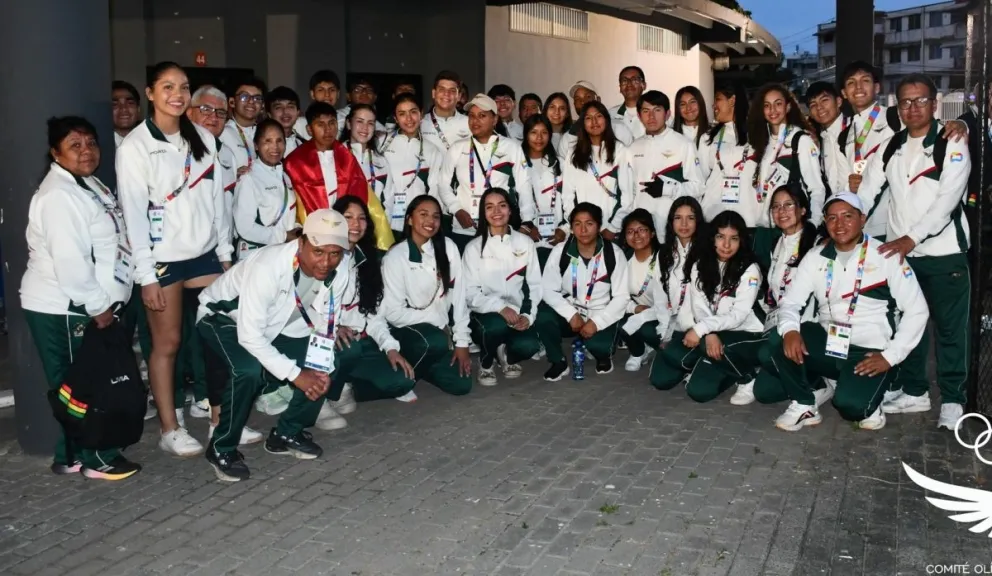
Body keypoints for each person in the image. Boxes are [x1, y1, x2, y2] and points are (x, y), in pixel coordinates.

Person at [117, 61, 233, 457]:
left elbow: (217, 202)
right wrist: (146, 275)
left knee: (217, 337)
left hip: (204, 255)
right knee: (168, 342)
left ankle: (219, 419)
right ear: (150, 93)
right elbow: (134, 215)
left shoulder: (202, 136)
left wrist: (224, 253)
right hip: (163, 260)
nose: (177, 95)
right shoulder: (135, 146)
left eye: (183, 87)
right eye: (167, 87)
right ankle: (169, 428)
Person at [21, 116, 141, 480]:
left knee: (71, 384)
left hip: (82, 304)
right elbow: (71, 262)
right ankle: (97, 457)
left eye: (91, 143)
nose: (86, 151)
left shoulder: (87, 183)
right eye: (75, 145)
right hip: (66, 306)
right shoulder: (59, 195)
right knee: (87, 384)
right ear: (56, 153)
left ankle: (69, 454)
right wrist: (98, 307)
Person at [197, 209, 350, 481]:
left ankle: (286, 433)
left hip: (276, 326)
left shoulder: (339, 271)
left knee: (326, 363)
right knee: (248, 369)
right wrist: (296, 375)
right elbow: (250, 336)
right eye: (318, 251)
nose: (326, 261)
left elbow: (326, 324)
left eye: (335, 253)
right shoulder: (268, 265)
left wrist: (318, 368)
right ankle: (221, 448)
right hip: (222, 317)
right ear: (301, 242)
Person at [856, 74, 972, 430]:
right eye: (906, 101)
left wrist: (911, 238)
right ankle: (915, 391)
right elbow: (867, 192)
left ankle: (953, 400)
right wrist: (845, 221)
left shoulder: (951, 142)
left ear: (934, 104)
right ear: (898, 106)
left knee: (950, 331)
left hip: (945, 254)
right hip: (903, 257)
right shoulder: (890, 146)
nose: (913, 107)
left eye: (921, 100)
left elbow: (947, 202)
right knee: (909, 325)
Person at [767, 192, 929, 431]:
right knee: (777, 339)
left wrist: (890, 356)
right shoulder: (815, 256)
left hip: (868, 352)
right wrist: (790, 330)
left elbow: (917, 310)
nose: (839, 224)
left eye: (847, 216)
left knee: (851, 407)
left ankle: (875, 390)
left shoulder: (885, 255)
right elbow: (791, 303)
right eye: (832, 218)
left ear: (862, 219)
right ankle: (805, 403)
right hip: (831, 342)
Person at [649, 211, 765, 402]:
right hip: (712, 331)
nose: (726, 245)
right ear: (712, 238)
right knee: (665, 378)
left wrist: (703, 329)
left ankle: (747, 377)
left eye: (733, 239)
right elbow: (699, 306)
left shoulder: (750, 269)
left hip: (745, 333)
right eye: (720, 237)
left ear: (742, 241)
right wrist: (709, 333)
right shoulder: (700, 264)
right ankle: (710, 362)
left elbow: (738, 316)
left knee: (699, 390)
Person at [319, 196, 418, 418]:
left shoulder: (368, 259)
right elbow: (310, 308)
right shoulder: (322, 257)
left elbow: (374, 315)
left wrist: (390, 348)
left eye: (361, 218)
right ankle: (320, 396)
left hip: (360, 341)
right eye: (348, 217)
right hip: (329, 340)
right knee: (348, 349)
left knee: (403, 381)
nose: (356, 224)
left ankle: (344, 385)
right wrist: (334, 327)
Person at [380, 196, 473, 397]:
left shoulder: (448, 247)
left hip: (438, 332)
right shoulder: (395, 257)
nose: (430, 221)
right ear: (409, 219)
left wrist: (462, 342)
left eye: (436, 216)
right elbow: (393, 314)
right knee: (435, 341)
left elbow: (459, 297)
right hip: (407, 331)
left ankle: (421, 367)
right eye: (423, 214)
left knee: (461, 384)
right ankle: (402, 381)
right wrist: (437, 320)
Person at [748, 185, 824, 407]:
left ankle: (817, 384)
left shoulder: (818, 244)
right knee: (763, 392)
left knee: (765, 352)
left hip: (807, 326)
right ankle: (808, 379)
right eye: (776, 207)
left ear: (803, 210)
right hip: (781, 321)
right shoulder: (778, 242)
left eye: (789, 205)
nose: (781, 211)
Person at [537, 202, 630, 380]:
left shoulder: (613, 253)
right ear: (571, 228)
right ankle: (558, 361)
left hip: (599, 312)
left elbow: (622, 297)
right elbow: (548, 289)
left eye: (589, 223)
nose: (583, 230)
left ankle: (602, 354)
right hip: (570, 313)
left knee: (599, 347)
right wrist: (570, 314)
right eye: (577, 224)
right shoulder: (560, 251)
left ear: (599, 226)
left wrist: (597, 322)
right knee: (543, 315)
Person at [284, 101, 393, 250]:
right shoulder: (295, 162)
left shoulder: (346, 157)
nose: (328, 129)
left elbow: (364, 195)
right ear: (309, 129)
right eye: (320, 124)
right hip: (312, 233)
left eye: (332, 123)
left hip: (346, 233)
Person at [462, 188, 543, 386]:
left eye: (502, 205)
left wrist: (528, 315)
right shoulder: (473, 248)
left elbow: (534, 285)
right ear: (483, 213)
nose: (496, 211)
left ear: (510, 210)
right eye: (489, 207)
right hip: (486, 314)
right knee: (494, 327)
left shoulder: (525, 243)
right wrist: (500, 308)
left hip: (517, 313)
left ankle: (506, 354)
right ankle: (486, 363)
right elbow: (470, 294)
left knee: (530, 346)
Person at [438, 94, 534, 253]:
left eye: (482, 116)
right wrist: (456, 209)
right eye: (471, 116)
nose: (475, 121)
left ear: (494, 119)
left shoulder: (511, 147)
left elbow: (524, 186)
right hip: (464, 228)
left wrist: (527, 221)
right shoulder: (457, 148)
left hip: (499, 227)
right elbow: (443, 184)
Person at [645, 197, 705, 389]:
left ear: (698, 221)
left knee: (682, 363)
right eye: (678, 218)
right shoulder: (664, 254)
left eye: (690, 218)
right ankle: (686, 362)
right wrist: (666, 332)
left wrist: (701, 329)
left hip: (704, 329)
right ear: (671, 222)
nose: (684, 224)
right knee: (659, 381)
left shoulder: (709, 251)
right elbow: (660, 297)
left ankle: (703, 363)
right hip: (677, 326)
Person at [628, 90, 703, 240]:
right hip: (643, 233)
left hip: (673, 230)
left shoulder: (684, 144)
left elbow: (699, 187)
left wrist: (667, 189)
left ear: (667, 114)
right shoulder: (632, 148)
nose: (651, 116)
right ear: (639, 116)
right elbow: (630, 192)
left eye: (657, 110)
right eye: (646, 111)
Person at [748, 83, 825, 227]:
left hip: (792, 225)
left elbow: (816, 189)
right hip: (765, 225)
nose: (772, 110)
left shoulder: (801, 140)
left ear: (788, 107)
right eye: (767, 105)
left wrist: (813, 224)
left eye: (778, 104)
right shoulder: (763, 143)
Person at [560, 101, 634, 242]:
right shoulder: (573, 153)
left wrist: (613, 227)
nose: (594, 122)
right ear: (582, 123)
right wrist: (576, 225)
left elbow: (627, 197)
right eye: (588, 118)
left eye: (598, 116)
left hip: (610, 231)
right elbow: (568, 195)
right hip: (582, 231)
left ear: (606, 119)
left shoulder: (620, 151)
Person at [380, 93, 444, 239]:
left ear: (421, 114)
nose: (409, 119)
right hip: (384, 219)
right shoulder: (382, 143)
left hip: (417, 223)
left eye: (413, 112)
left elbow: (434, 191)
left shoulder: (432, 150)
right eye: (402, 114)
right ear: (395, 118)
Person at [232, 118, 299, 260]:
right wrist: (284, 236)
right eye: (267, 141)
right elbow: (245, 228)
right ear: (256, 146)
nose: (275, 147)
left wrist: (297, 229)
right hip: (256, 257)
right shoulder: (249, 178)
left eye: (279, 141)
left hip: (284, 254)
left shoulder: (285, 176)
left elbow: (289, 216)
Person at [618, 209, 666, 372]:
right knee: (620, 321)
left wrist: (646, 314)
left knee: (647, 330)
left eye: (642, 230)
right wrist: (635, 308)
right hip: (639, 310)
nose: (636, 235)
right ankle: (638, 352)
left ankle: (663, 351)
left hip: (667, 314)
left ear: (652, 233)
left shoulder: (664, 258)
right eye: (630, 231)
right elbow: (617, 295)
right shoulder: (623, 259)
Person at [700, 83, 755, 223]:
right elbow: (701, 178)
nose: (713, 105)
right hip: (713, 213)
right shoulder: (707, 137)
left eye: (718, 99)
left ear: (732, 101)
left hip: (748, 215)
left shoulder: (756, 134)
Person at [521, 114, 567, 267]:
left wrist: (564, 229)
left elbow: (571, 199)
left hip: (558, 239)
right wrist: (527, 227)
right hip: (527, 239)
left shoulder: (560, 164)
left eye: (544, 132)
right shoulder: (518, 164)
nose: (539, 138)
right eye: (533, 132)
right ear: (525, 134)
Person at [343, 104, 394, 222]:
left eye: (370, 123)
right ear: (349, 124)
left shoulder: (381, 160)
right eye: (360, 121)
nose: (365, 128)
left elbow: (389, 200)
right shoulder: (337, 156)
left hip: (375, 227)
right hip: (343, 226)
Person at [560, 81, 634, 157]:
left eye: (588, 97)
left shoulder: (619, 129)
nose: (582, 102)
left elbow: (632, 159)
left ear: (598, 99)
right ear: (574, 104)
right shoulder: (568, 138)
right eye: (577, 99)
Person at [805, 81, 846, 205]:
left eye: (824, 100)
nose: (819, 107)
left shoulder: (856, 129)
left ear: (838, 101)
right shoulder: (819, 140)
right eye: (813, 104)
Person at [221, 78, 267, 175]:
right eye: (244, 97)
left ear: (262, 105)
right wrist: (233, 175)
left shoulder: (266, 133)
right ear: (232, 102)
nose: (251, 101)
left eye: (257, 98)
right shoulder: (222, 133)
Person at [421, 71, 470, 153]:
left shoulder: (470, 123)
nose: (446, 94)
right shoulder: (420, 123)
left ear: (459, 96)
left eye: (452, 90)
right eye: (441, 89)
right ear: (433, 93)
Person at [292, 70, 344, 140]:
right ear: (312, 94)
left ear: (338, 94)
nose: (327, 94)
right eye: (321, 90)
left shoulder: (345, 121)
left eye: (332, 90)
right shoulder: (299, 124)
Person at [265, 86, 306, 156]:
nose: (285, 111)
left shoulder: (304, 145)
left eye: (290, 106)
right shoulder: (262, 144)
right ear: (269, 114)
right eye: (278, 107)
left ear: (298, 113)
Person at [609, 66, 647, 140]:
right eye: (624, 81)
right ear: (620, 88)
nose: (629, 84)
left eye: (634, 80)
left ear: (644, 85)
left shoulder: (656, 113)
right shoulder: (610, 115)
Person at [673, 86, 711, 156]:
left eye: (692, 102)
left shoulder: (713, 133)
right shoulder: (671, 135)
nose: (688, 108)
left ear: (700, 103)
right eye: (683, 104)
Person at [112, 80, 142, 147]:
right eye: (115, 104)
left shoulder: (151, 141)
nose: (123, 108)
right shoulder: (99, 145)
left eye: (130, 103)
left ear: (138, 109)